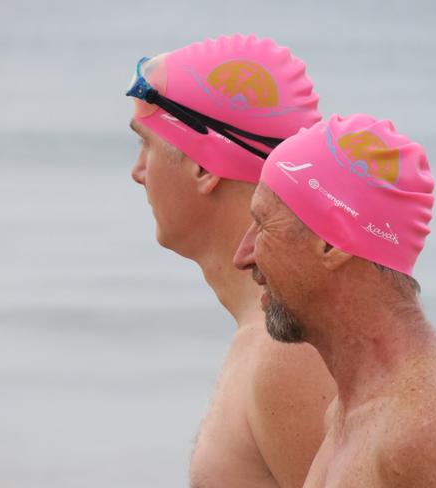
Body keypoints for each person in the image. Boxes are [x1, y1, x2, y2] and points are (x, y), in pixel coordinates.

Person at [234, 113, 436, 487]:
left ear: (332, 243)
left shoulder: (433, 428)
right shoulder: (351, 412)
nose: (243, 255)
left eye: (264, 225)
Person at [126, 34, 336, 487]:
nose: (137, 171)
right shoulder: (269, 336)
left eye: (146, 146)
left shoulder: (288, 353)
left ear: (205, 168)